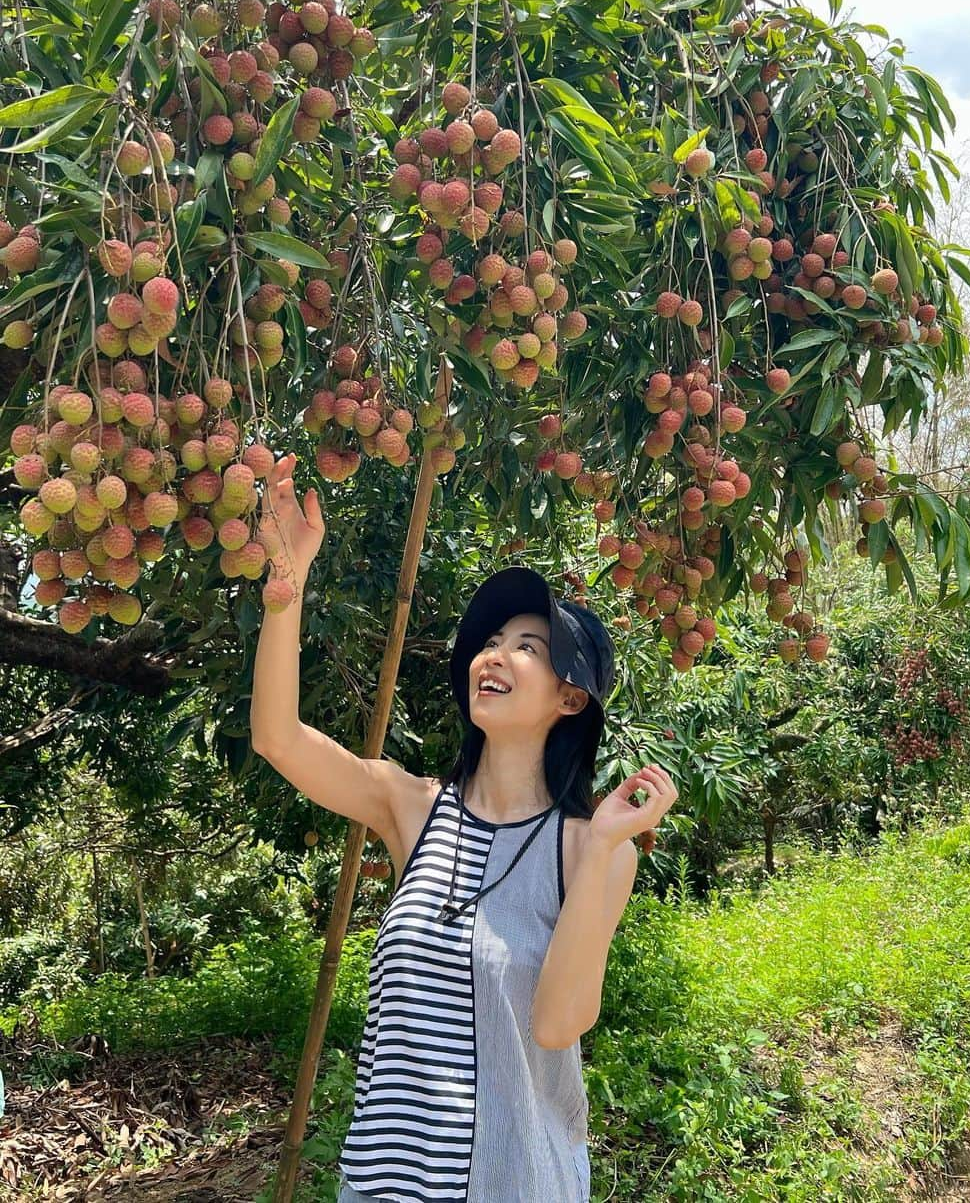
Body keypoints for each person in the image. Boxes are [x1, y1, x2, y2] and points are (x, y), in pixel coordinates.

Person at [250, 451, 678, 1202]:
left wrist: (609, 838)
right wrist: (285, 588)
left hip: (513, 1182)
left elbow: (558, 1025)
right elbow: (278, 738)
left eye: (528, 647)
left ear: (569, 700)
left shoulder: (590, 848)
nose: (496, 654)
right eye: (490, 642)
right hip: (383, 1187)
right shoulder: (410, 806)